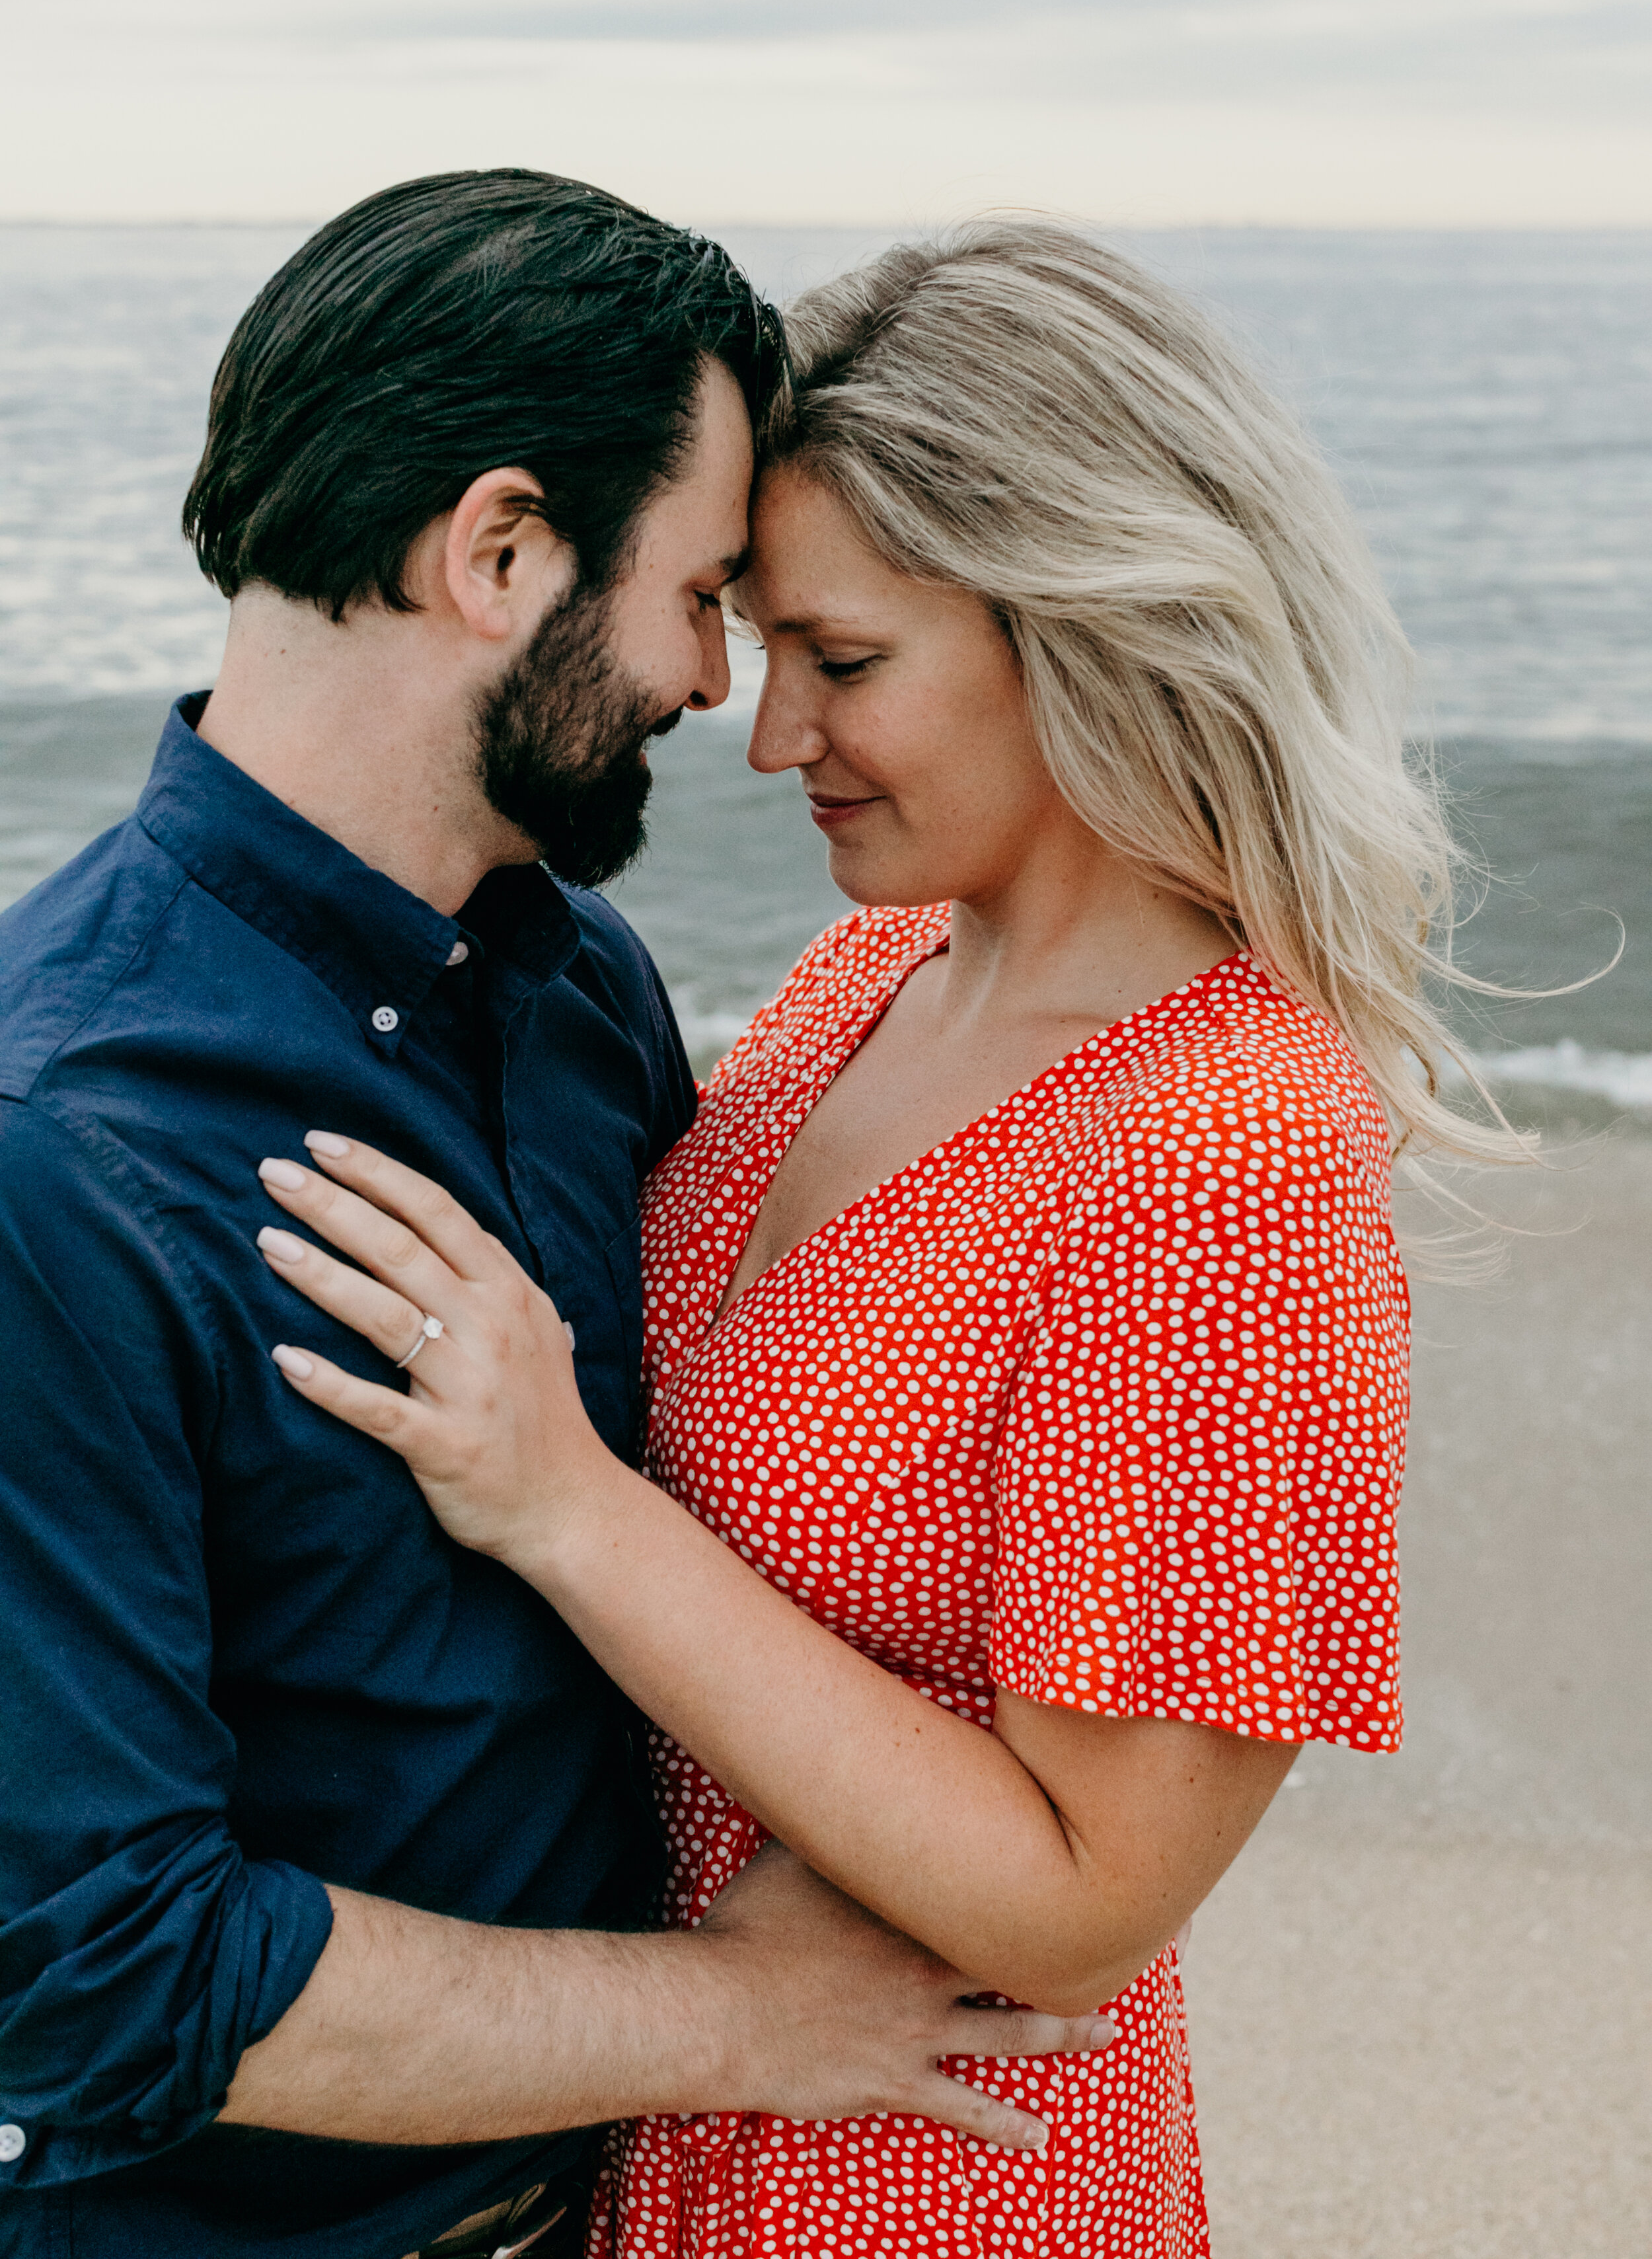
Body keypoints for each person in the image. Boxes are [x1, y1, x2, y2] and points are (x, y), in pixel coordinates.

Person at [256, 219, 1522, 2256]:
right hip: (670, 2102)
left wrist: (564, 1504)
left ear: (1091, 621)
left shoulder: (1221, 1153)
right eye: (754, 646)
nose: (766, 739)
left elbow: (1089, 1899)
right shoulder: (873, 973)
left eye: (843, 664)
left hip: (927, 2178)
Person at [0, 181, 1106, 2259]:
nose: (717, 688)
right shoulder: (59, 1146)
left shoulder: (581, 983)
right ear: (499, 552)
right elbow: (96, 1977)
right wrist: (743, 2016)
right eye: (700, 597)